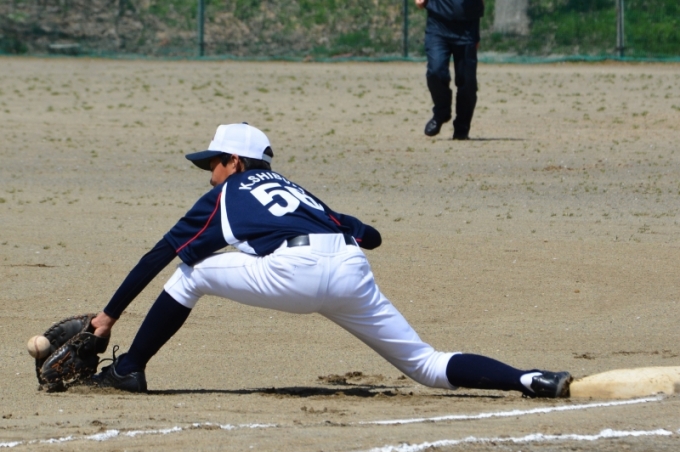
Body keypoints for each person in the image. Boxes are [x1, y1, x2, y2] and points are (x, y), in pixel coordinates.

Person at [90, 123, 572, 398]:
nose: (209, 173)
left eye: (213, 163)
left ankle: (129, 368)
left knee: (191, 274)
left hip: (294, 273)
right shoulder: (297, 191)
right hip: (349, 270)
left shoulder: (227, 193)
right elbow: (369, 235)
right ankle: (529, 379)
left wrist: (109, 315)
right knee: (426, 364)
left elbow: (159, 254)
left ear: (235, 162)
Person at [416, 0, 484, 140]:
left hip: (467, 26)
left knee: (467, 81)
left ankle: (462, 127)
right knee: (436, 71)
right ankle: (441, 112)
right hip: (438, 25)